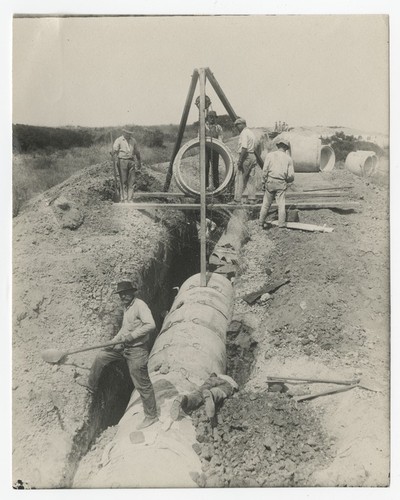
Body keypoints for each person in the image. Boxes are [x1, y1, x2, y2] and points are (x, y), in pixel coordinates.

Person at [77, 281, 158, 430]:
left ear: (132, 292)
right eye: (121, 295)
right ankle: (91, 386)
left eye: (126, 293)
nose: (123, 297)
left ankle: (151, 416)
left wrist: (132, 336)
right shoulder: (127, 307)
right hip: (123, 347)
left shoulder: (140, 305)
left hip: (137, 350)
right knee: (102, 356)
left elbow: (151, 325)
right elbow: (124, 328)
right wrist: (114, 341)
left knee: (141, 382)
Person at [170, 373, 238, 421]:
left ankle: (184, 399)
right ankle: (211, 394)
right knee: (219, 391)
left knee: (198, 395)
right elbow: (235, 389)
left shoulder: (215, 376)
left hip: (211, 379)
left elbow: (212, 376)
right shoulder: (231, 381)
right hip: (227, 384)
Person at [259, 138, 295, 229]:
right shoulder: (288, 159)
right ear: (286, 148)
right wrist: (287, 181)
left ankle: (260, 223)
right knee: (281, 205)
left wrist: (264, 182)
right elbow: (291, 176)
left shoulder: (269, 155)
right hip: (281, 182)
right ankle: (281, 224)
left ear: (278, 146)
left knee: (266, 204)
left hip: (270, 181)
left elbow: (264, 171)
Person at [231, 118, 258, 204]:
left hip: (245, 156)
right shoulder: (251, 132)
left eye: (237, 125)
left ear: (242, 124)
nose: (237, 128)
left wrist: (240, 160)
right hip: (252, 155)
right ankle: (252, 199)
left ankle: (237, 199)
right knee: (251, 178)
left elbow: (244, 148)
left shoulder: (244, 133)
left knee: (239, 178)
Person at [113, 128, 142, 202]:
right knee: (123, 180)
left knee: (132, 181)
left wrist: (139, 161)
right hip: (122, 161)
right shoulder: (119, 140)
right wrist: (113, 152)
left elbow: (137, 151)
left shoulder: (133, 140)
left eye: (130, 133)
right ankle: (124, 198)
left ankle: (130, 199)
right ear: (124, 133)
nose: (129, 135)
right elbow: (115, 150)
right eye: (127, 133)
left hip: (131, 161)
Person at [205, 111, 224, 191]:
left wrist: (218, 145)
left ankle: (216, 187)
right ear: (207, 118)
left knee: (215, 168)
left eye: (213, 117)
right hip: (205, 149)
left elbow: (220, 138)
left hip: (215, 149)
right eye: (210, 117)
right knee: (205, 167)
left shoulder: (218, 127)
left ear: (215, 118)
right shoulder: (203, 126)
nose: (212, 119)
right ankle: (205, 187)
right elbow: (199, 137)